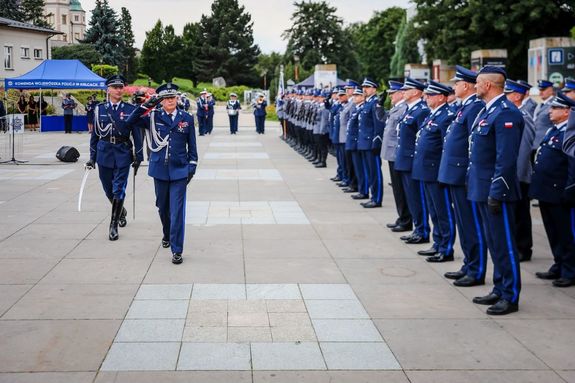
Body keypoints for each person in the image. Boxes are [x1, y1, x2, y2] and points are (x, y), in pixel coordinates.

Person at [468, 66, 524, 315]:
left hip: (495, 190)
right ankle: (499, 288)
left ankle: (510, 295)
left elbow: (506, 159)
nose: (475, 86)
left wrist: (497, 191)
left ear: (488, 85)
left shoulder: (505, 113)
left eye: (478, 82)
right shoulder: (487, 112)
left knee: (505, 244)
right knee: (494, 242)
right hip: (481, 187)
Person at [127, 82, 198, 265]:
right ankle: (166, 233)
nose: (170, 101)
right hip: (159, 170)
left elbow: (192, 147)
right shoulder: (152, 116)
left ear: (177, 98)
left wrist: (192, 167)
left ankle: (177, 249)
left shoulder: (186, 118)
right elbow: (130, 121)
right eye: (166, 98)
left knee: (177, 212)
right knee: (162, 207)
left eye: (172, 97)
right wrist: (149, 103)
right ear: (161, 100)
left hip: (180, 170)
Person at [439, 65, 487, 287]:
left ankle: (476, 269)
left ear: (466, 86)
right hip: (455, 173)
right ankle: (469, 264)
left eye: (456, 83)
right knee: (463, 223)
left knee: (471, 224)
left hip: (463, 174)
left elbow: (473, 144)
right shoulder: (463, 107)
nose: (453, 87)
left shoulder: (474, 107)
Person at [86, 74, 144, 241]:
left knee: (119, 188)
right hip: (104, 152)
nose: (119, 90)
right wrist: (92, 157)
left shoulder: (130, 109)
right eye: (115, 87)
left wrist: (138, 156)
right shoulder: (100, 109)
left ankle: (113, 225)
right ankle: (121, 210)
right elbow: (95, 135)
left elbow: (137, 135)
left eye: (121, 87)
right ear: (108, 89)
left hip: (122, 153)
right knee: (108, 189)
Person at [530, 92, 575, 288]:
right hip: (546, 191)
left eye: (555, 108)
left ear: (567, 111)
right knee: (553, 232)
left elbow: (572, 165)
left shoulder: (570, 133)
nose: (550, 111)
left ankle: (570, 270)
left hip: (560, 192)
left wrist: (570, 190)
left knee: (566, 234)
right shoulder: (553, 130)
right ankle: (558, 264)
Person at [412, 81, 457, 263]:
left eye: (430, 95)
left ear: (440, 97)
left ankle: (446, 248)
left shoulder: (446, 116)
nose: (426, 97)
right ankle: (438, 243)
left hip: (436, 170)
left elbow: (446, 147)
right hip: (426, 170)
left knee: (443, 211)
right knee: (434, 210)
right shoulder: (433, 114)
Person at [395, 77, 431, 244]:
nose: (403, 92)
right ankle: (417, 228)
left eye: (406, 90)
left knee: (418, 198)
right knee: (411, 197)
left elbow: (420, 138)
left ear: (416, 92)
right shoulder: (410, 109)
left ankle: (422, 230)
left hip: (412, 161)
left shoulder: (421, 110)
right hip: (404, 159)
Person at [504, 79, 536, 262]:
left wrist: (517, 176)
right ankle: (516, 246)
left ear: (516, 96)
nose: (505, 98)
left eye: (508, 94)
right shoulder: (513, 113)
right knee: (514, 213)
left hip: (519, 175)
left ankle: (524, 248)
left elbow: (524, 150)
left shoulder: (522, 116)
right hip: (512, 174)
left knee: (521, 213)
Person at [382, 80, 411, 232]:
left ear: (401, 93)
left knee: (401, 189)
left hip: (396, 153)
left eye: (393, 93)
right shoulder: (396, 108)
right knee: (397, 190)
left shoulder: (403, 108)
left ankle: (406, 219)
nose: (391, 96)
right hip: (392, 153)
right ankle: (402, 217)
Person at [358, 77, 386, 208]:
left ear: (374, 89)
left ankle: (377, 198)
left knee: (375, 173)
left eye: (367, 87)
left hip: (371, 144)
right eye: (363, 87)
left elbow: (378, 125)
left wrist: (377, 142)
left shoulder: (375, 103)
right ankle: (372, 196)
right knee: (369, 171)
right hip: (364, 142)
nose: (364, 89)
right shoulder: (367, 103)